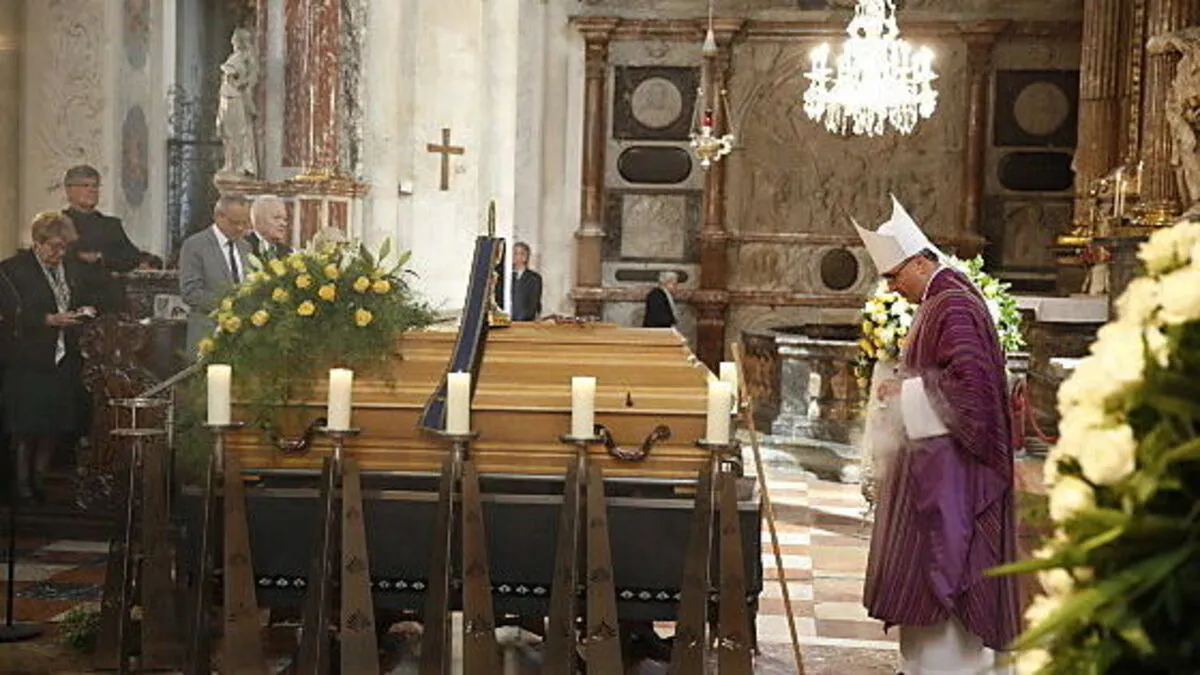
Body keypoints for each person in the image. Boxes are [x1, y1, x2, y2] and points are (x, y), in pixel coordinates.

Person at [853, 196, 1019, 674]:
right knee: (922, 575)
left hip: (953, 476)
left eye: (893, 276)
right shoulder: (941, 299)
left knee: (949, 562)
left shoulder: (954, 305)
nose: (890, 286)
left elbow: (973, 392)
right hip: (935, 464)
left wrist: (904, 392)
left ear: (921, 262)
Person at [0, 212, 101, 502]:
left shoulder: (68, 269)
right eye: (54, 246)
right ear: (38, 242)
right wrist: (47, 319)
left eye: (64, 247)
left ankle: (40, 478)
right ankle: (22, 484)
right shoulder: (13, 270)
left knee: (52, 424)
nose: (59, 253)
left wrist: (84, 311)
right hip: (28, 359)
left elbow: (78, 296)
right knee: (27, 427)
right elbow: (11, 313)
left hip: (61, 357)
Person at [61, 165, 143, 313]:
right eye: (85, 185)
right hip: (72, 301)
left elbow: (132, 257)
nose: (92, 190)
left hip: (108, 303)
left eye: (95, 186)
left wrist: (101, 257)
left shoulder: (110, 225)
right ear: (69, 190)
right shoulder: (58, 223)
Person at [179, 195, 252, 358]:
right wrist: (228, 304)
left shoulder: (245, 247)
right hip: (208, 334)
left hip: (241, 338)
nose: (241, 228)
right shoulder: (195, 245)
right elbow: (191, 292)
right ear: (219, 216)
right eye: (235, 222)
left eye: (245, 223)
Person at [217, 28, 259, 178]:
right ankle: (229, 163)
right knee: (225, 132)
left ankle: (240, 165)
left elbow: (250, 78)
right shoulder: (233, 57)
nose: (232, 42)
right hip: (226, 97)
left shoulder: (246, 59)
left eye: (235, 40)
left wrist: (240, 81)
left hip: (236, 99)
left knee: (238, 133)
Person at [246, 195, 292, 260]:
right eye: (277, 218)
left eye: (285, 219)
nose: (284, 224)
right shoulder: (243, 248)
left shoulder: (287, 252)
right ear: (259, 220)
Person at [506, 241, 542, 321]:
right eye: (513, 253)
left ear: (525, 257)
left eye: (516, 253)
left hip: (525, 322)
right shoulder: (505, 276)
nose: (513, 256)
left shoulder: (534, 278)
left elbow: (534, 303)